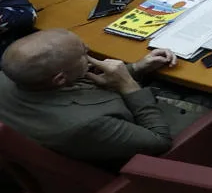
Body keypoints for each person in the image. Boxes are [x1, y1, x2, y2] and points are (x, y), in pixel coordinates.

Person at [0, 31, 184, 166]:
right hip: (136, 154)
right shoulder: (85, 125)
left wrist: (136, 68)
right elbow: (160, 141)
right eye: (83, 54)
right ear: (60, 79)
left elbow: (77, 84)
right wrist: (129, 85)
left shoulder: (15, 77)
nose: (88, 52)